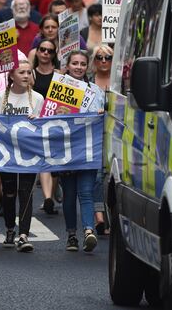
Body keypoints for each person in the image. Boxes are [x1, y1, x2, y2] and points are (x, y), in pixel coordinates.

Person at [0, 60, 44, 252]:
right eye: (22, 72)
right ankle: (10, 229)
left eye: (29, 72)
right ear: (12, 76)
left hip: (28, 152)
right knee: (9, 192)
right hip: (7, 153)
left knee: (26, 192)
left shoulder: (37, 98)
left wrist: (39, 120)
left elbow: (44, 125)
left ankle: (24, 234)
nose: (26, 76)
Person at [60, 50, 105, 253]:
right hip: (67, 150)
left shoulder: (96, 91)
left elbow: (106, 117)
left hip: (88, 149)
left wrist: (103, 113)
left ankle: (88, 231)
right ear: (67, 66)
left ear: (87, 67)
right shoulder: (58, 89)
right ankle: (71, 235)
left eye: (82, 64)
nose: (78, 67)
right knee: (69, 195)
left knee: (86, 192)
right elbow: (47, 114)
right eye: (75, 63)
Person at [31, 38, 60, 214]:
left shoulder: (59, 74)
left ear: (54, 54)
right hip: (38, 121)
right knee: (44, 158)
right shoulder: (31, 74)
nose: (45, 53)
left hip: (56, 122)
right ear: (37, 52)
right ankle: (48, 198)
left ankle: (53, 193)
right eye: (42, 49)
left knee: (54, 161)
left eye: (49, 51)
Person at [90, 44, 113, 235]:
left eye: (108, 57)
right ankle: (99, 217)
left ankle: (113, 217)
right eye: (99, 57)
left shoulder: (122, 82)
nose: (104, 61)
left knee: (112, 177)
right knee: (97, 177)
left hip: (117, 135)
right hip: (95, 135)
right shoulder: (88, 83)